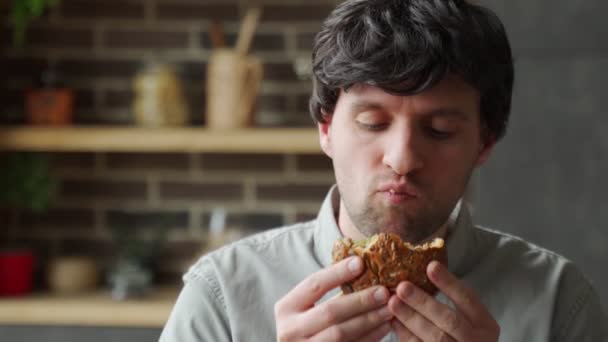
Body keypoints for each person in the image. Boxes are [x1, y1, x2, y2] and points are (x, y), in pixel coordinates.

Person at [160, 0, 608, 341]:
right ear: (325, 128)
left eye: (440, 130)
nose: (402, 158)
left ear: (485, 143)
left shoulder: (560, 304)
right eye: (373, 123)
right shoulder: (221, 297)